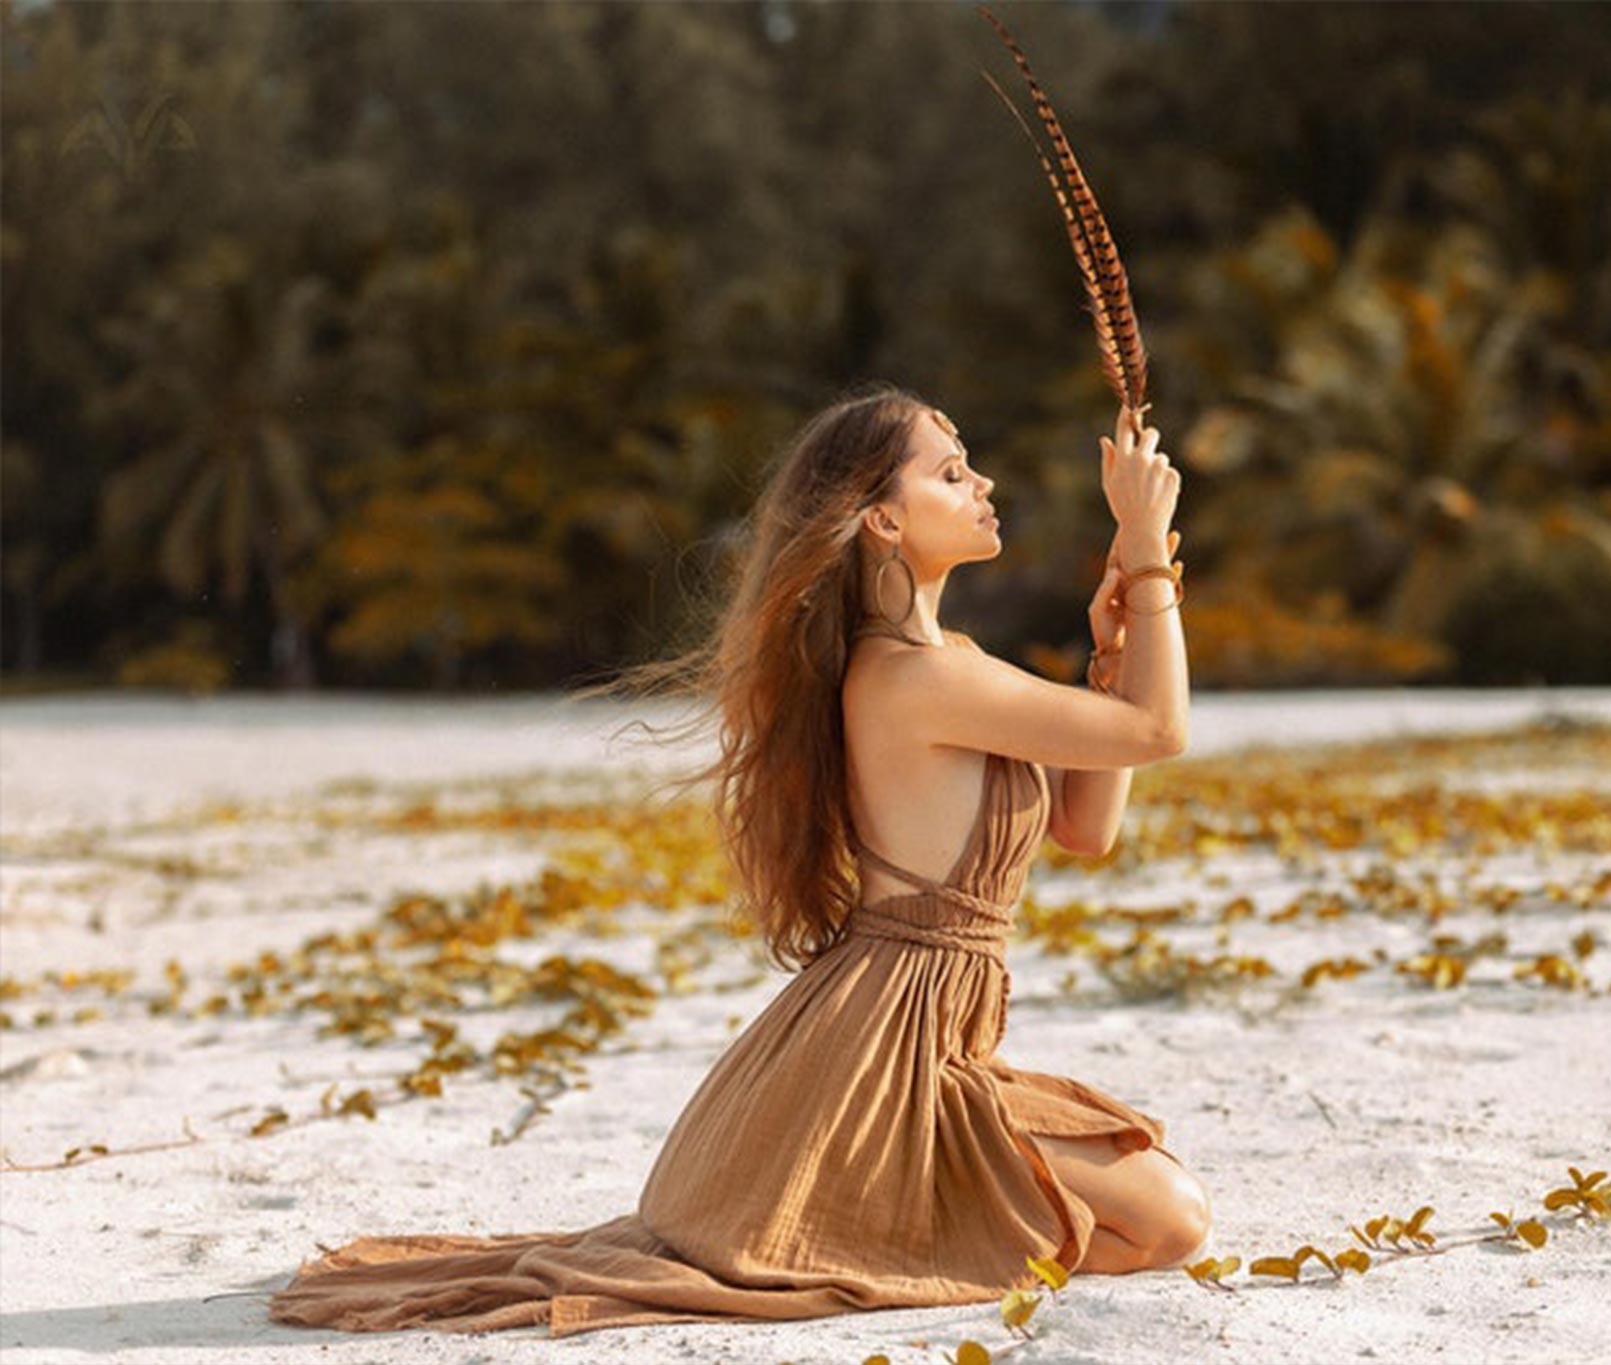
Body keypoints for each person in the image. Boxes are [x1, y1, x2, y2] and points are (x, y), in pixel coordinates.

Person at [266, 383, 1208, 1337]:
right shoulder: (912, 676)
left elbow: (1086, 825)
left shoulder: (945, 661)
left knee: (1161, 1216)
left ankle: (912, 1230)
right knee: (1171, 1218)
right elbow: (1160, 730)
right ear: (883, 519)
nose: (984, 484)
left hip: (925, 1037)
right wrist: (1141, 546)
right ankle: (899, 1230)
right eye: (953, 472)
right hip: (884, 1046)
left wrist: (1116, 647)